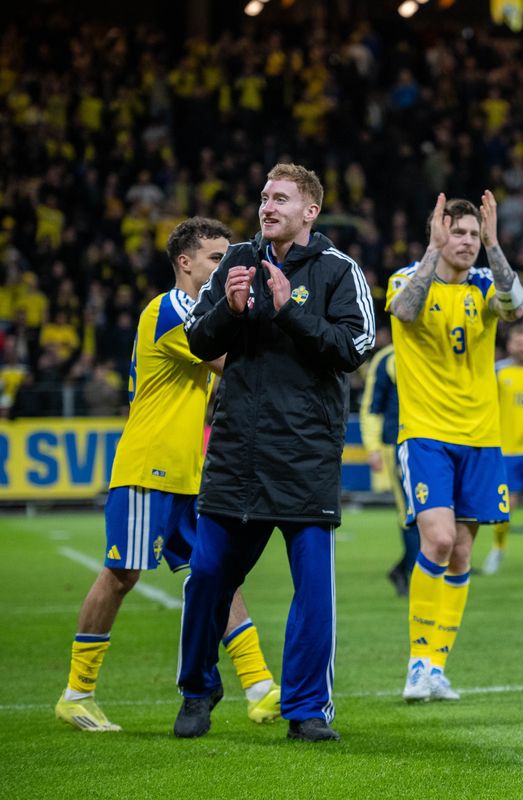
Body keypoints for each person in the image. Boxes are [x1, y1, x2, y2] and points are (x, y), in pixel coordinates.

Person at [55, 218, 280, 732]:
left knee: (216, 572)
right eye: (215, 258)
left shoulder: (202, 310)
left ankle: (261, 685)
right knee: (121, 575)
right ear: (185, 262)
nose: (227, 266)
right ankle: (76, 692)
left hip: (188, 473)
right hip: (148, 466)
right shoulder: (171, 308)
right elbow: (230, 362)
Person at [177, 163, 375, 743]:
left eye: (281, 198)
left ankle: (307, 709)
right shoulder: (235, 261)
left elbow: (354, 346)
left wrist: (290, 310)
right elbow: (198, 342)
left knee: (312, 592)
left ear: (310, 211)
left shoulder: (341, 271)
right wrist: (230, 312)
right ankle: (197, 690)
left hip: (305, 456)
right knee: (208, 575)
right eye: (264, 196)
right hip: (237, 452)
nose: (267, 205)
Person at [387, 191, 523, 703]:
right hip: (426, 434)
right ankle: (417, 661)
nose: (464, 241)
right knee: (439, 541)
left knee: (462, 551)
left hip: (482, 438)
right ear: (437, 231)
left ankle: (437, 667)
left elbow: (515, 308)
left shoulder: (487, 282)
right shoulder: (408, 278)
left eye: (471, 233)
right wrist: (432, 252)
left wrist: (493, 245)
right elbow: (403, 312)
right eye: (457, 232)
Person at [359, 329, 420, 596]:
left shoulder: (432, 350)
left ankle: (404, 569)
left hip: (436, 442)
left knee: (437, 512)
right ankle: (415, 575)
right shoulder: (386, 360)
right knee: (410, 512)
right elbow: (372, 406)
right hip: (397, 444)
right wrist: (372, 447)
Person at [484, 325, 523, 578]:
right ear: (509, 346)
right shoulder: (498, 372)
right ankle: (498, 549)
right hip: (505, 449)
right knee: (505, 505)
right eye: (518, 342)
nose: (522, 346)